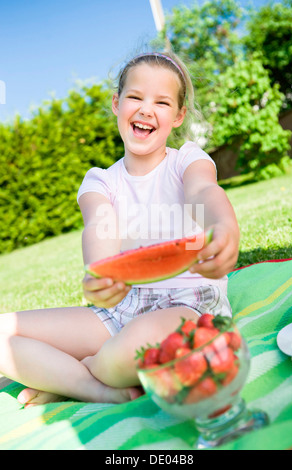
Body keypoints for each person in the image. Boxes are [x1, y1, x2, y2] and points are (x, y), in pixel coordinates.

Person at [0, 51, 239, 407]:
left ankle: (79, 369)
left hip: (186, 306)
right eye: (135, 97)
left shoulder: (187, 159)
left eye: (161, 102)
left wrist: (223, 227)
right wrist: (102, 273)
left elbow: (203, 191)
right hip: (118, 309)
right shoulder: (100, 181)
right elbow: (100, 224)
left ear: (178, 116)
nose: (146, 109)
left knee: (139, 342)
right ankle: (95, 387)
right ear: (116, 103)